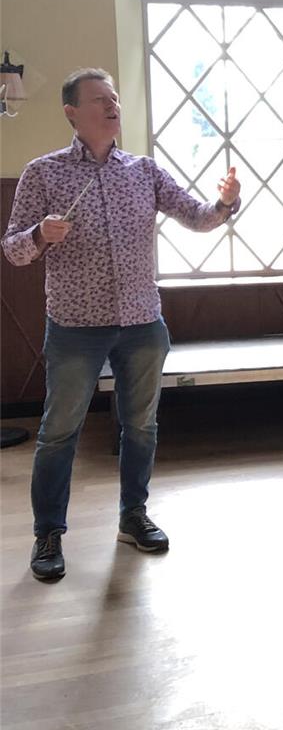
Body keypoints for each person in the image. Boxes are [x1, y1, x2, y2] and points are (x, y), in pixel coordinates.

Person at [1, 68, 242, 582]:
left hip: (142, 322)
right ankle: (48, 534)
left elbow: (197, 217)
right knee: (58, 432)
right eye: (99, 100)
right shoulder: (43, 173)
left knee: (142, 426)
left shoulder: (143, 170)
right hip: (74, 326)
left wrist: (223, 202)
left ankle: (133, 516)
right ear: (71, 112)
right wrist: (41, 234)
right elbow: (14, 251)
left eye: (115, 98)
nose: (112, 106)